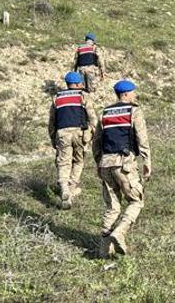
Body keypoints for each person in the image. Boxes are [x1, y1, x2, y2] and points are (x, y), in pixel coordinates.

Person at [92, 80, 152, 257]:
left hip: (105, 164)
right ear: (125, 94)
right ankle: (120, 232)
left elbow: (96, 142)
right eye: (133, 92)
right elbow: (142, 138)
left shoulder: (105, 112)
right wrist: (147, 162)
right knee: (136, 201)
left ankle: (103, 251)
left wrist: (98, 162)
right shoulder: (134, 111)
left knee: (112, 207)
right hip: (124, 164)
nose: (135, 95)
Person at [48, 72, 97, 209]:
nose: (82, 84)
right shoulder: (83, 96)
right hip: (79, 132)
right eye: (80, 82)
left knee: (63, 162)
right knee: (78, 160)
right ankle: (71, 186)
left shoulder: (57, 98)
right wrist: (92, 132)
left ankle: (64, 188)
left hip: (62, 133)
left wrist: (53, 138)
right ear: (76, 84)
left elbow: (52, 122)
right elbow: (92, 117)